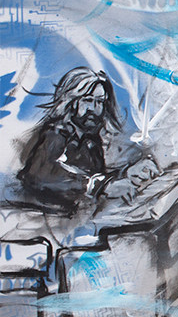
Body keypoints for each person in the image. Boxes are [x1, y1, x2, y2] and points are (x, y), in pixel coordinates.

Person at [17, 67, 157, 213]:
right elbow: (43, 176)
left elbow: (91, 178)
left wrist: (126, 173)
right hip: (37, 215)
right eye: (88, 100)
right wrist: (100, 186)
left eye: (100, 102)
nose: (93, 108)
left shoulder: (90, 142)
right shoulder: (56, 133)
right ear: (72, 101)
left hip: (71, 215)